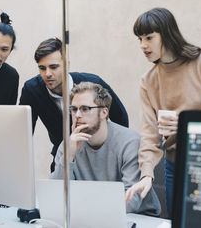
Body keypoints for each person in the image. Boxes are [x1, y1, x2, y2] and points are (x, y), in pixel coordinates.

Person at [125, 7, 201, 216]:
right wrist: (146, 175)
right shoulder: (148, 81)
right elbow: (149, 135)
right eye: (139, 39)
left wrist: (187, 125)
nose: (143, 45)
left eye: (149, 37)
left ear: (167, 34)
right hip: (175, 165)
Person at [51, 82, 161, 216]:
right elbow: (56, 196)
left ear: (104, 112)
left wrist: (85, 210)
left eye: (85, 108)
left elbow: (131, 201)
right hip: (90, 218)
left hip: (138, 217)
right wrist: (69, 157)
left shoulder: (130, 142)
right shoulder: (68, 145)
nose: (77, 115)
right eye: (74, 109)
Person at [19, 38, 129, 172]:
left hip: (98, 156)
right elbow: (23, 133)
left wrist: (113, 153)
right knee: (56, 189)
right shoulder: (32, 90)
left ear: (67, 65)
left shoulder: (93, 83)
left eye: (53, 67)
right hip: (63, 154)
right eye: (42, 68)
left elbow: (121, 119)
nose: (47, 73)